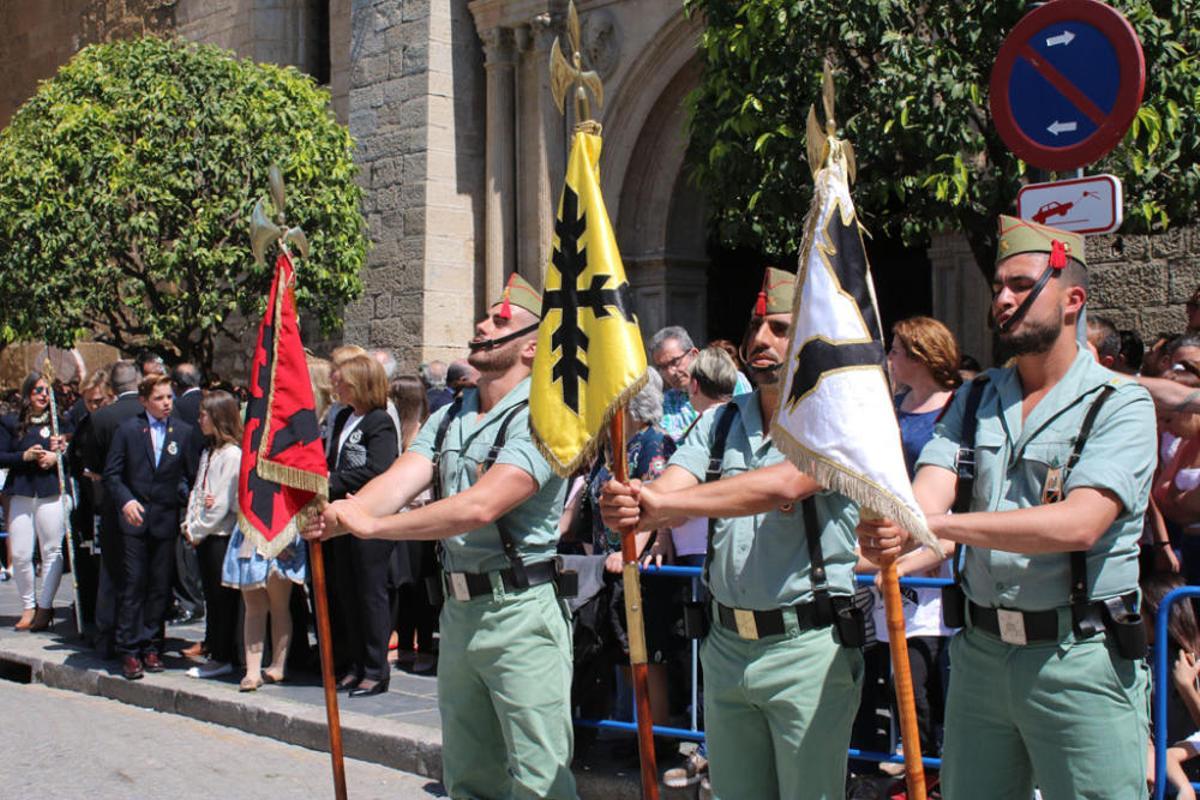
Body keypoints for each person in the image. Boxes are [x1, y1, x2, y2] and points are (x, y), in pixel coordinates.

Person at [859, 216, 1155, 797]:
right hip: (981, 657)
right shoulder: (974, 398)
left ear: (1072, 300)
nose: (1002, 299)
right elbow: (928, 494)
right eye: (998, 286)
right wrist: (893, 527)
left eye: (1021, 285)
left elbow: (1081, 522)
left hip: (1079, 658)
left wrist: (933, 525)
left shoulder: (1120, 403)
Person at [303, 273, 576, 800]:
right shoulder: (452, 414)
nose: (482, 325)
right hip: (460, 611)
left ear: (532, 346)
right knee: (468, 777)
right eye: (486, 316)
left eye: (500, 321)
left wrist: (375, 526)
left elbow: (479, 506)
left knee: (540, 780)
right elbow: (401, 478)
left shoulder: (547, 414)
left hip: (521, 612)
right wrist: (342, 515)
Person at [601, 268, 864, 799]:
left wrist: (663, 504)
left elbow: (780, 486)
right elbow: (668, 491)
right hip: (725, 645)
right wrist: (629, 505)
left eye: (779, 329)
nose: (761, 339)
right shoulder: (720, 421)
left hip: (806, 646)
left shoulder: (838, 417)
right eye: (756, 327)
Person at [868, 316, 963, 769]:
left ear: (921, 356)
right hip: (897, 541)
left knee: (937, 671)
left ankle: (939, 763)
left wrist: (929, 546)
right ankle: (916, 759)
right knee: (901, 669)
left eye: (897, 350)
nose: (889, 358)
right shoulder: (894, 407)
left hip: (941, 546)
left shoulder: (958, 407)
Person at [103, 374, 197, 680]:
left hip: (164, 520)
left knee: (159, 585)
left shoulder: (181, 432)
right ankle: (129, 649)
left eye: (169, 397)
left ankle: (152, 644)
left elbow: (188, 475)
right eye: (159, 398)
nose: (166, 403)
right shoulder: (128, 430)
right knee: (134, 584)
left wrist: (192, 500)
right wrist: (126, 500)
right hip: (135, 520)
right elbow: (113, 474)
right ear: (144, 401)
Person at [327, 353, 399, 697]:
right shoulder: (344, 417)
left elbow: (379, 468)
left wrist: (333, 480)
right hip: (342, 515)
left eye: (343, 382)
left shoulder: (379, 422)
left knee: (370, 594)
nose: (337, 387)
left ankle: (375, 668)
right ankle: (355, 664)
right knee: (347, 592)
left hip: (369, 514)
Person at [0, 372, 73, 631]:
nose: (42, 395)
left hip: (51, 491)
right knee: (21, 553)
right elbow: (2, 455)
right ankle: (28, 605)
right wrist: (24, 456)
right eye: (37, 390)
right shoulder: (13, 422)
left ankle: (45, 606)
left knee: (51, 550)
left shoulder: (62, 422)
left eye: (47, 390)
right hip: (22, 490)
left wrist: (57, 456)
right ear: (28, 393)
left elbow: (76, 453)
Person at [81, 360, 144, 655]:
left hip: (112, 502)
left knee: (112, 573)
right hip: (149, 504)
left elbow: (92, 466)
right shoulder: (148, 414)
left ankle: (108, 636)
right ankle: (143, 638)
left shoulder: (102, 418)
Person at [182, 391, 242, 679]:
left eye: (204, 415)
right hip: (204, 534)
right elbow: (199, 491)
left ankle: (223, 655)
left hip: (219, 535)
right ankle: (214, 648)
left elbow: (219, 503)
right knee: (211, 597)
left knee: (222, 600)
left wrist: (197, 529)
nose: (199, 420)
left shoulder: (232, 455)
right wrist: (190, 522)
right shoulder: (209, 452)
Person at [388, 374, 438, 674]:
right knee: (403, 585)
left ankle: (425, 646)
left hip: (421, 516)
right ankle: (405, 644)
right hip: (399, 517)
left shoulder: (425, 431)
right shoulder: (395, 430)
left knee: (421, 586)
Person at [649, 325, 699, 441]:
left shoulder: (729, 385)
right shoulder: (663, 405)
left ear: (694, 354)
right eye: (662, 367)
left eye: (675, 362)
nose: (670, 372)